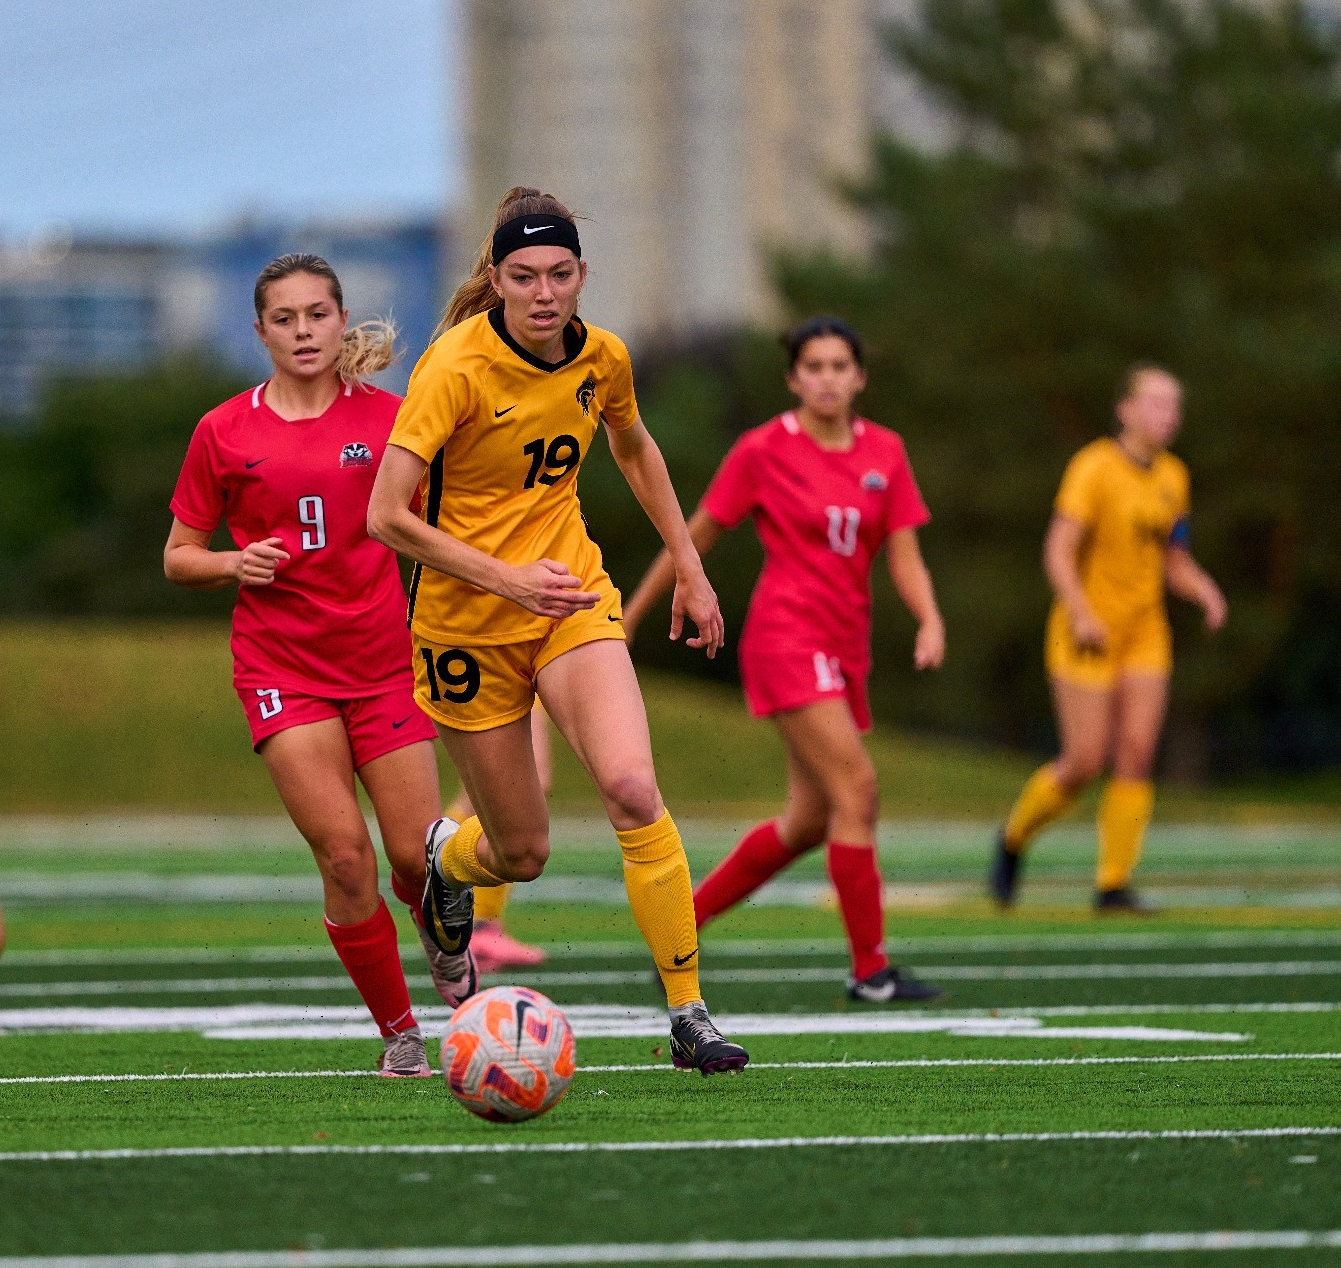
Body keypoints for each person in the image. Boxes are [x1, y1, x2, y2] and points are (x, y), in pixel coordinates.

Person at [366, 186, 749, 1075]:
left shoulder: (602, 357)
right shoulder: (454, 368)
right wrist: (502, 577)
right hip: (465, 627)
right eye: (525, 275)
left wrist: (689, 566)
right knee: (522, 851)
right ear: (496, 279)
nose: (544, 292)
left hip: (572, 599)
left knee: (628, 784)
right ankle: (448, 864)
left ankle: (688, 1010)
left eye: (561, 274)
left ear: (583, 276)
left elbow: (634, 445)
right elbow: (385, 516)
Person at [165, 254, 476, 1079]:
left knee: (415, 858)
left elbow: (442, 525)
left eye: (317, 314)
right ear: (260, 330)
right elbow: (178, 556)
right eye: (284, 318)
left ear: (342, 322)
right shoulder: (223, 431)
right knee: (345, 854)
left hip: (384, 664)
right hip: (282, 669)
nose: (303, 331)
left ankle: (444, 933)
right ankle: (401, 1031)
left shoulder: (395, 419)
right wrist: (235, 563)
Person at [627, 317, 947, 1003]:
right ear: (793, 378)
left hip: (843, 644)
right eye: (814, 366)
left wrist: (929, 617)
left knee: (808, 821)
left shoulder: (885, 452)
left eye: (840, 365)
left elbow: (905, 552)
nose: (827, 377)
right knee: (857, 789)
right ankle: (872, 972)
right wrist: (629, 617)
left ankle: (679, 928)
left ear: (859, 377)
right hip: (785, 639)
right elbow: (692, 539)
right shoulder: (764, 448)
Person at [990, 363, 1225, 912]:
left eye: (1173, 405)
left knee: (1138, 753)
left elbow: (1175, 561)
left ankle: (1112, 884)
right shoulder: (1093, 467)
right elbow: (1057, 549)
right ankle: (1013, 838)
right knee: (1083, 761)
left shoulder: (1174, 477)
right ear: (1125, 409)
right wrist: (1080, 610)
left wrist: (1204, 589)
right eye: (1155, 402)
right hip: (1086, 629)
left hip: (1145, 630)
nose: (1167, 415)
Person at [445, 706, 551, 972]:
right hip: (496, 666)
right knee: (516, 778)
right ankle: (472, 922)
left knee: (481, 787)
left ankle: (468, 921)